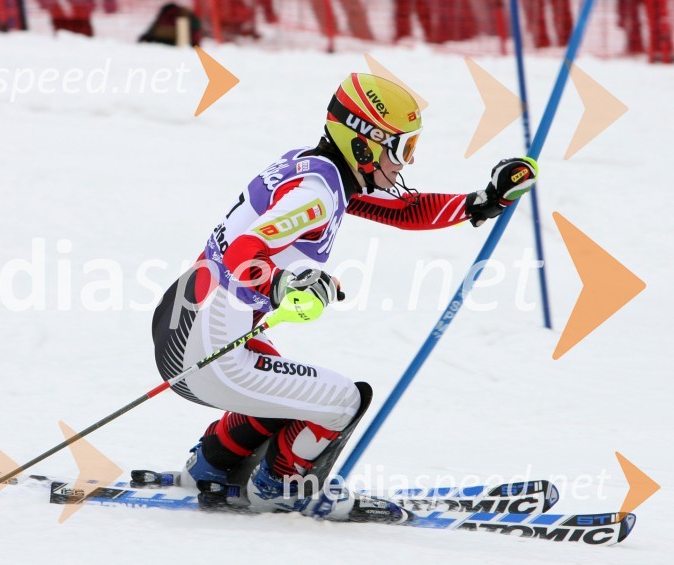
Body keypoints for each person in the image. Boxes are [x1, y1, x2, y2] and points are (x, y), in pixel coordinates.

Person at [151, 73, 537, 515]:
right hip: (208, 353)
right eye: (401, 149)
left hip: (184, 322)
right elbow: (245, 250)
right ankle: (281, 489)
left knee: (291, 388)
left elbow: (405, 209)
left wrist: (483, 200)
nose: (405, 164)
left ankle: (214, 465)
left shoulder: (316, 170)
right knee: (343, 402)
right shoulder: (316, 195)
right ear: (363, 143)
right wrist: (281, 283)